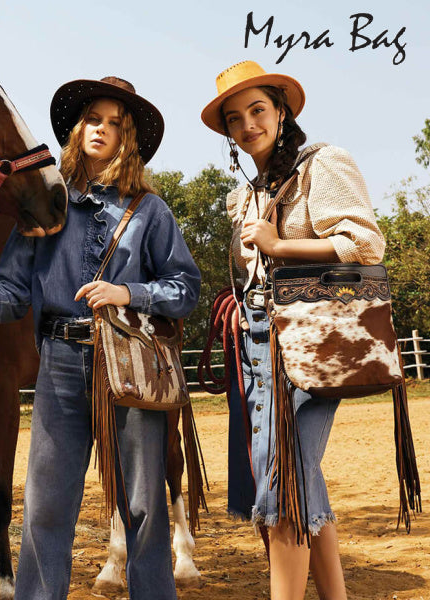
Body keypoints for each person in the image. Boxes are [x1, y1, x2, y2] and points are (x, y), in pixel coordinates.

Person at [0, 76, 200, 600]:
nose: (101, 129)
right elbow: (11, 294)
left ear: (127, 139)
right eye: (93, 119)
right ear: (77, 129)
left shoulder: (150, 211)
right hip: (60, 364)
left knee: (143, 507)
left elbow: (185, 288)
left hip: (130, 367)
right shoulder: (46, 208)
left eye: (114, 124)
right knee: (46, 507)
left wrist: (128, 293)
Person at [200, 61, 385, 599]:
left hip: (314, 340)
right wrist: (243, 299)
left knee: (285, 480)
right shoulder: (247, 194)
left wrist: (280, 245)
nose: (248, 125)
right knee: (299, 474)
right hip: (257, 343)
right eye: (235, 118)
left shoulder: (321, 164)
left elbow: (365, 244)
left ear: (281, 112)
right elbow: (257, 271)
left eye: (258, 110)